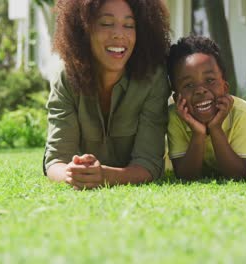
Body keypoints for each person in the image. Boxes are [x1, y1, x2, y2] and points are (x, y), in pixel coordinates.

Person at [44, 0, 171, 190]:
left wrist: (105, 176)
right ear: (84, 28)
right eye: (106, 23)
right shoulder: (66, 76)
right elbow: (55, 160)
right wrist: (73, 174)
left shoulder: (153, 79)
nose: (119, 34)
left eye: (129, 25)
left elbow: (149, 165)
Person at [166, 36, 246, 180]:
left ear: (225, 87)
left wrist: (215, 128)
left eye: (209, 80)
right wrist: (198, 133)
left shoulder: (242, 112)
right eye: (188, 85)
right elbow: (186, 176)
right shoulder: (175, 116)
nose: (200, 90)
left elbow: (237, 174)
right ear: (177, 98)